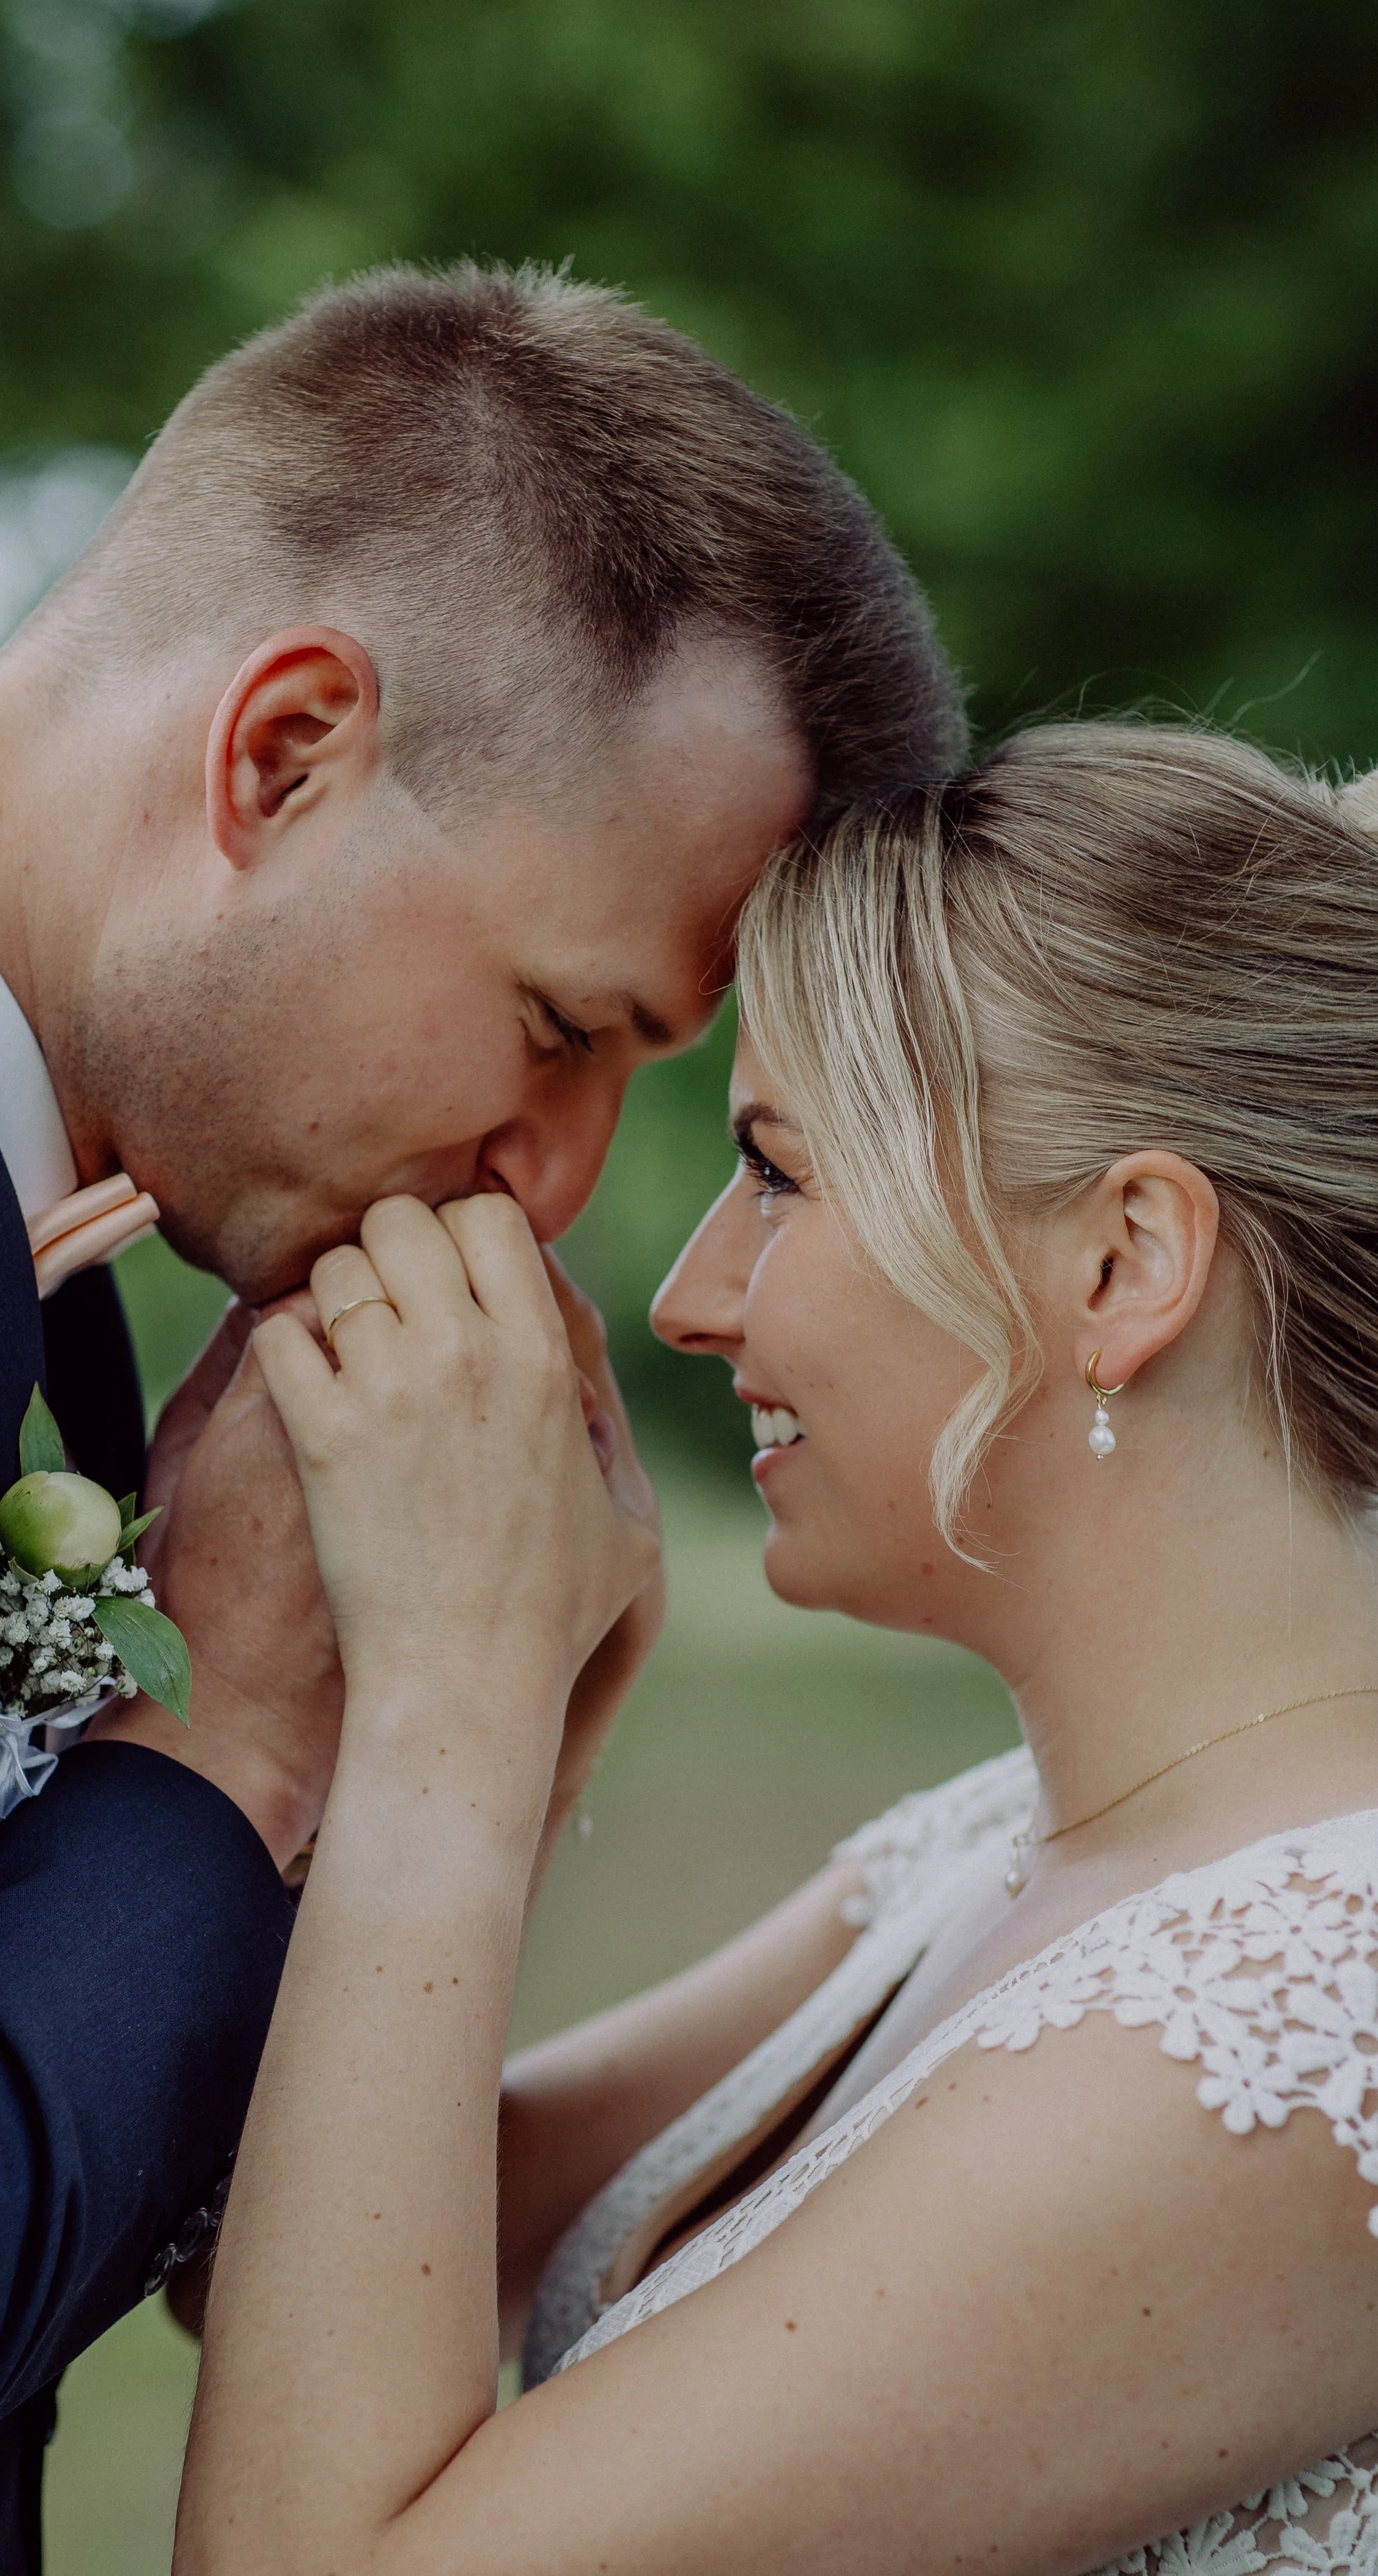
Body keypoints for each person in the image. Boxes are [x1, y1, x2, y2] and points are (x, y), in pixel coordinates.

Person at [0, 261, 958, 2575]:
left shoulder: (25, 1253)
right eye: (565, 1026)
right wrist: (241, 1733)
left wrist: (446, 1736)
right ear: (281, 752)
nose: (558, 1188)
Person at [174, 721, 1378, 2576]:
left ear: (1125, 1261)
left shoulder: (1311, 2014)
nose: (687, 1294)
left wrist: (451, 1724)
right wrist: (509, 1705)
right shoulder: (995, 1840)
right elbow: (283, 2256)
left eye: (783, 1175)